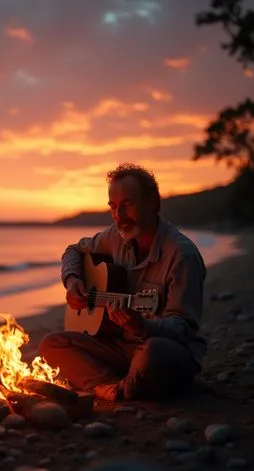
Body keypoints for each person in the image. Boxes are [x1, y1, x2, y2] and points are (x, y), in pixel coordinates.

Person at [38, 163, 207, 401]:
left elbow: (183, 327)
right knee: (51, 344)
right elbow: (73, 250)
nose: (120, 217)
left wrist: (142, 327)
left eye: (127, 205)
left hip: (166, 349)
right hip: (119, 345)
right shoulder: (114, 237)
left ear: (153, 203)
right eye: (113, 208)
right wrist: (72, 279)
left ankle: (121, 383)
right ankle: (109, 386)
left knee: (153, 353)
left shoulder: (182, 255)